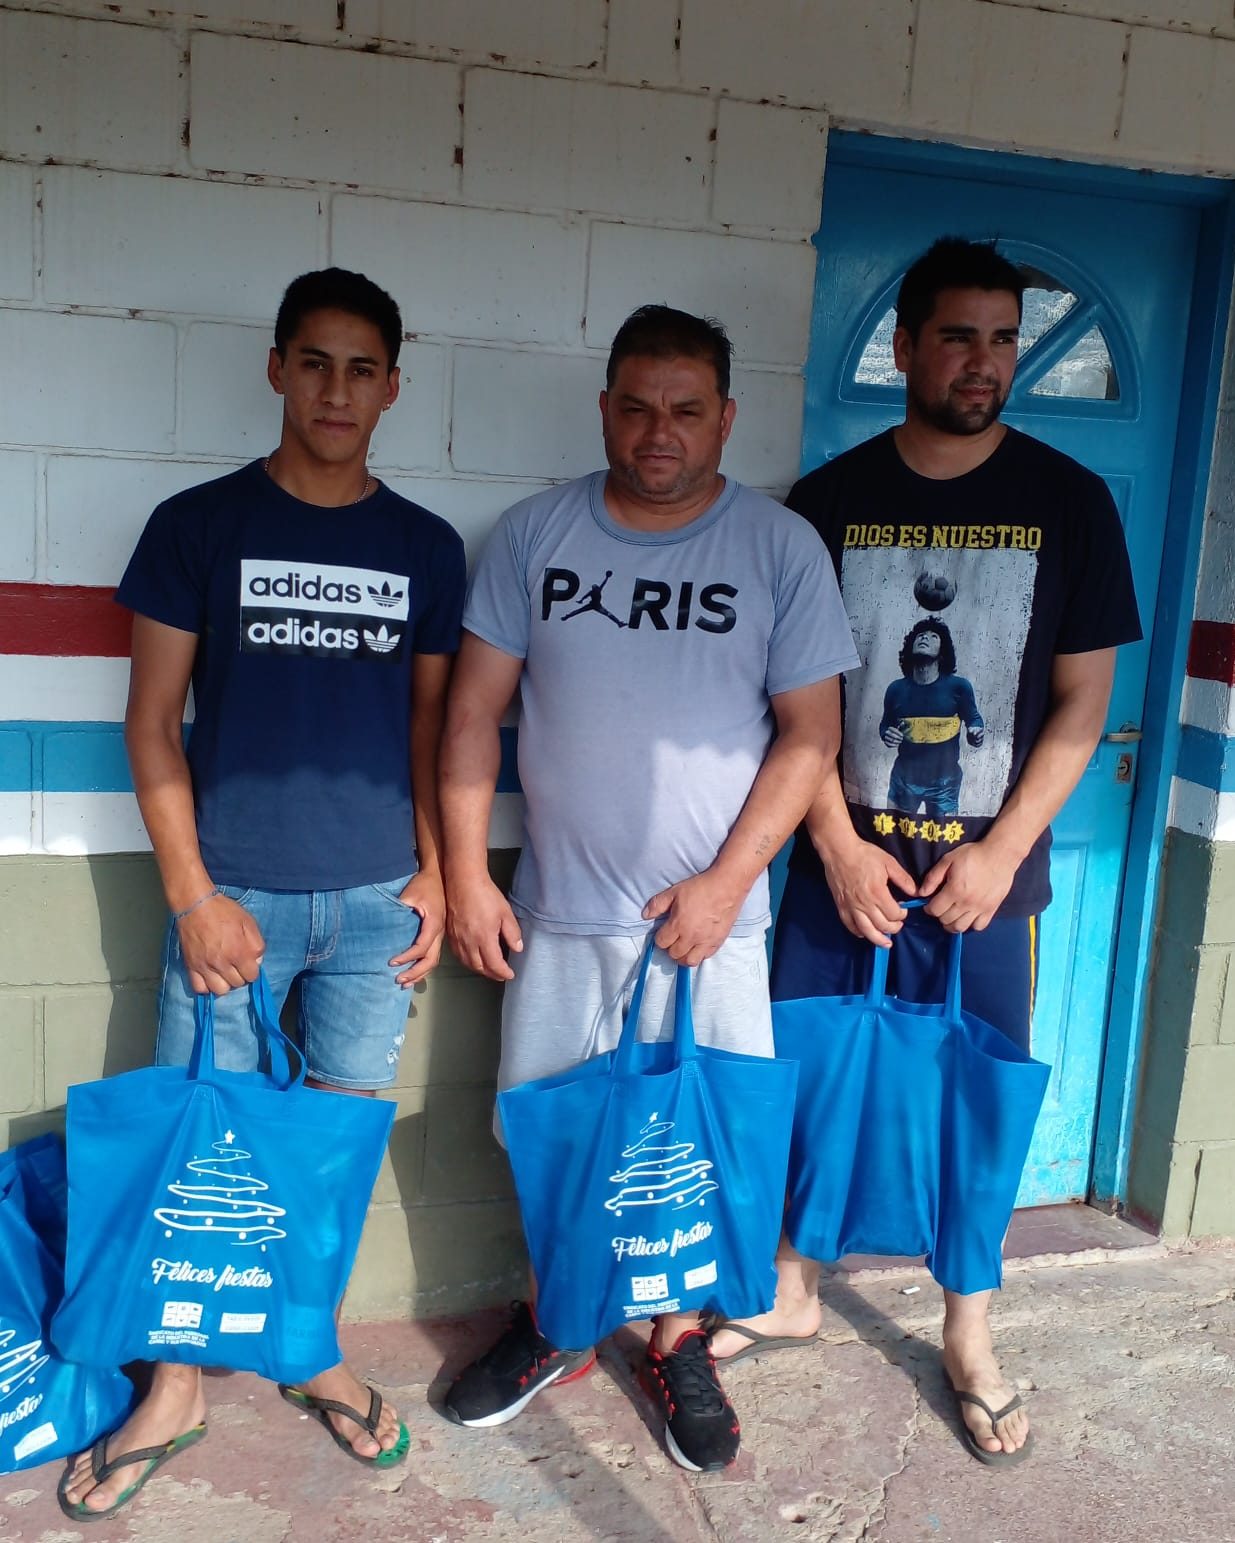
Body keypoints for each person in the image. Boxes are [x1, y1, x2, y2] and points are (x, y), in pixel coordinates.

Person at [710, 237, 1142, 1466]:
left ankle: (968, 1332)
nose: (982, 361)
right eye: (957, 335)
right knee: (805, 1082)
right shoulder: (824, 505)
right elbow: (789, 707)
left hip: (983, 884)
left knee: (973, 1102)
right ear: (903, 347)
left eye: (1002, 338)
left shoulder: (1070, 501)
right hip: (835, 870)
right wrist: (836, 845)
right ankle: (791, 1285)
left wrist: (1001, 853)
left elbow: (1080, 706)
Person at [59, 268, 467, 1520]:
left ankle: (309, 1348)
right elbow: (149, 725)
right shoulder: (198, 527)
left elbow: (429, 729)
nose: (337, 390)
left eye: (362, 369)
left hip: (376, 907)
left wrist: (438, 872)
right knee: (204, 1147)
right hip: (231, 901)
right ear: (278, 368)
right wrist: (192, 897)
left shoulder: (423, 546)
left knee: (330, 1155)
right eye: (316, 362)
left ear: (391, 388)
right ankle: (175, 1384)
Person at [437, 304, 857, 1472]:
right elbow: (470, 714)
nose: (656, 431)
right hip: (560, 913)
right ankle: (559, 1324)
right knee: (551, 1138)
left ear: (724, 418)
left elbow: (810, 736)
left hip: (710, 926)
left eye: (684, 410)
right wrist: (466, 874)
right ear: (604, 409)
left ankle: (677, 1341)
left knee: (696, 1147)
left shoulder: (778, 548)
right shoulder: (534, 534)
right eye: (634, 407)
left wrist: (725, 882)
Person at [880, 616, 984, 816]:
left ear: (942, 654)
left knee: (944, 834)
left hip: (945, 783)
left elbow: (974, 719)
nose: (924, 638)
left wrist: (976, 733)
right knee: (894, 830)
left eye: (933, 636)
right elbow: (885, 724)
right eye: (920, 635)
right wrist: (887, 734)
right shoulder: (895, 689)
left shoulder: (959, 687)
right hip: (904, 780)